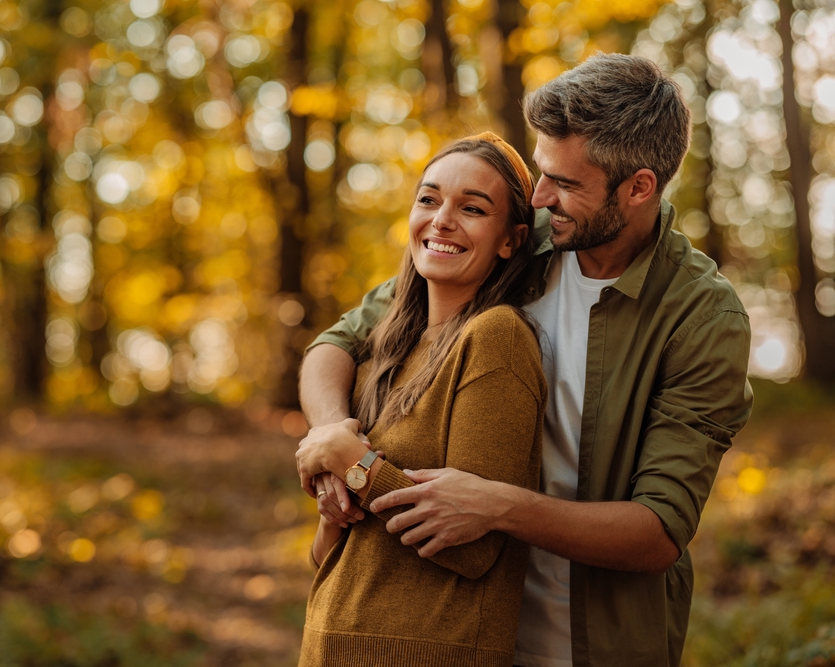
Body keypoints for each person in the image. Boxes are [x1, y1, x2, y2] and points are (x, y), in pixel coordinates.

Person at [298, 53, 753, 667]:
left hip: (594, 643)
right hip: (463, 629)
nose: (539, 197)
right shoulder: (520, 243)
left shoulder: (701, 317)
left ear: (639, 187)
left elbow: (659, 531)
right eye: (542, 173)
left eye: (565, 184)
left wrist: (496, 506)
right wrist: (331, 431)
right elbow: (340, 342)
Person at [295, 133, 547, 666]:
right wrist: (333, 504)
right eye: (429, 199)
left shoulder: (495, 338)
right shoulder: (383, 351)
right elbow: (329, 558)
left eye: (472, 208)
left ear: (510, 240)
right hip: (330, 649)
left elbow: (475, 548)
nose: (442, 219)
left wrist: (353, 465)